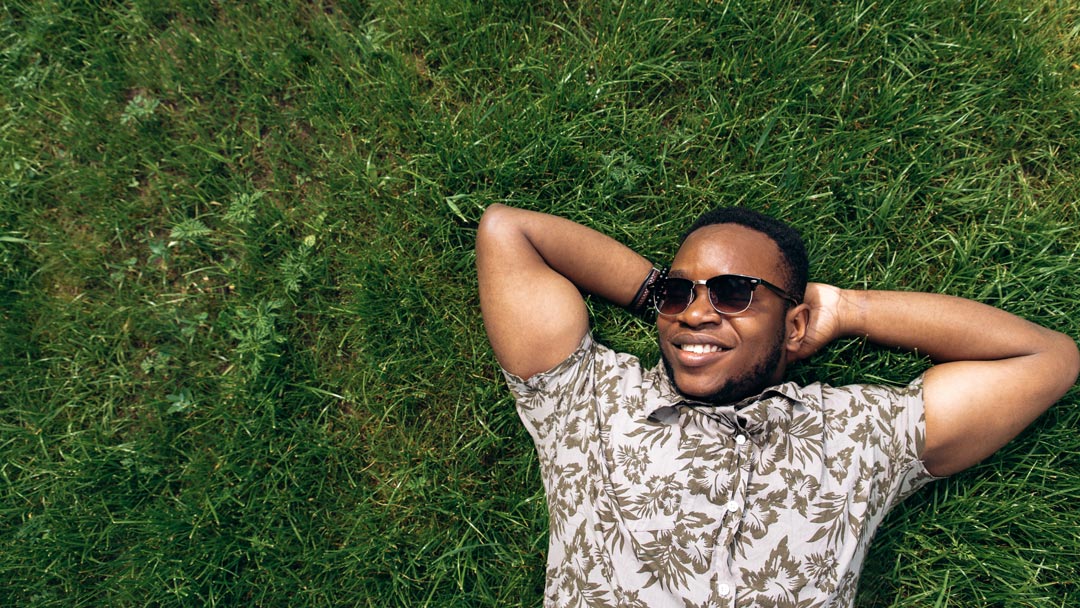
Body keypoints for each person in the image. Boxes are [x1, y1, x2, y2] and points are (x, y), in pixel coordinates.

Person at [475, 203, 1079, 607]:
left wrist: (847, 311)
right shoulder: (589, 403)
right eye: (681, 292)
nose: (694, 309)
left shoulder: (858, 434)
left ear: (794, 327)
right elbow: (508, 231)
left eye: (734, 292)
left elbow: (1047, 359)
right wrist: (662, 296)